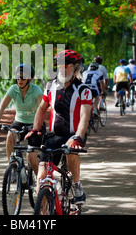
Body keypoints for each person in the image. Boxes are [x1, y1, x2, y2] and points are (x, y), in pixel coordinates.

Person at [25, 49, 92, 204]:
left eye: (66, 64)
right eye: (58, 64)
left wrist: (78, 137)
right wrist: (36, 129)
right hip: (54, 135)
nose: (61, 68)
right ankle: (43, 209)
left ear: (76, 67)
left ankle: (76, 185)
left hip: (74, 134)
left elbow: (85, 116)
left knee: (70, 151)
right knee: (42, 175)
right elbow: (42, 109)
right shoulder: (50, 86)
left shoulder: (83, 90)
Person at [0, 64, 45, 175]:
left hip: (35, 123)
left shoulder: (36, 89)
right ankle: (12, 169)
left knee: (31, 155)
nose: (19, 80)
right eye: (17, 77)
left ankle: (39, 181)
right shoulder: (14, 89)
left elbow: (42, 108)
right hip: (20, 121)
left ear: (29, 79)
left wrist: (36, 126)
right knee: (10, 136)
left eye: (22, 77)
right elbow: (2, 106)